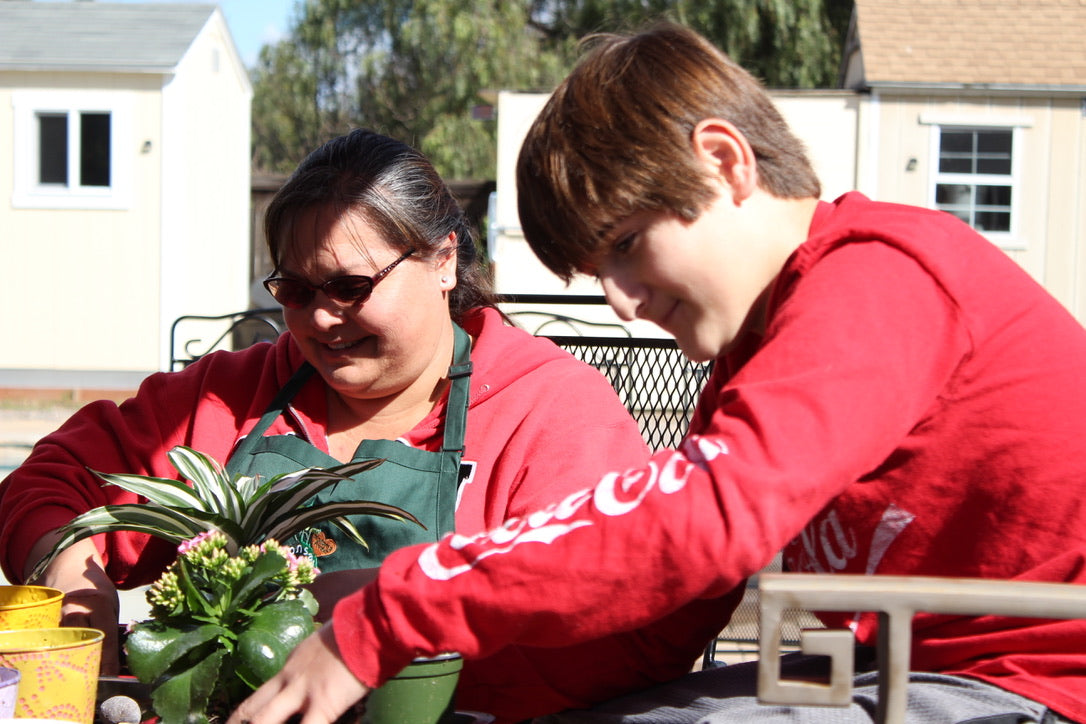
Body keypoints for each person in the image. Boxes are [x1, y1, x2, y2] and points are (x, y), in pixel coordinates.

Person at [229, 22, 1086, 724]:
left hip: (1029, 684)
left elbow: (706, 517)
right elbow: (666, 615)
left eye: (629, 246)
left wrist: (396, 611)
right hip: (897, 669)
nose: (625, 303)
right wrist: (450, 689)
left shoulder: (881, 276)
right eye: (600, 274)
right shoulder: (759, 354)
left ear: (726, 161)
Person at [0, 129, 739, 722]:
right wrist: (72, 576)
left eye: (351, 288)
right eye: (294, 288)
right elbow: (51, 479)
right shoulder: (231, 396)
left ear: (444, 259)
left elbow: (631, 628)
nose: (320, 319)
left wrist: (381, 614)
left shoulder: (549, 412)